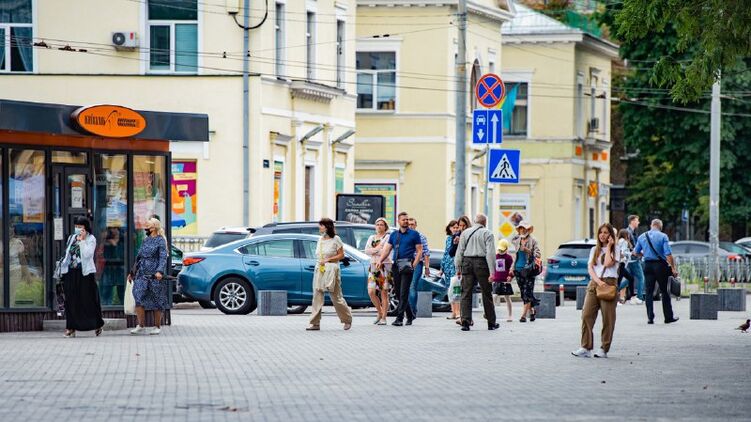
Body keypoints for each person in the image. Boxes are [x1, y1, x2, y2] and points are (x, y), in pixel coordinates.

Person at [572, 223, 619, 358]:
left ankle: (604, 348)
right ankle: (585, 347)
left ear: (610, 235)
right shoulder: (594, 249)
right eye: (600, 232)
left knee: (608, 318)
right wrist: (598, 281)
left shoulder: (616, 249)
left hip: (609, 283)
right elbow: (590, 268)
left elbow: (608, 263)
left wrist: (609, 246)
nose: (602, 235)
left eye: (605, 232)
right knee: (586, 314)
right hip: (595, 283)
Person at [377, 211, 423, 326]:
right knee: (398, 292)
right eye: (403, 220)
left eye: (407, 219)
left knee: (404, 292)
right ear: (398, 221)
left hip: (407, 265)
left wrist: (414, 264)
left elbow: (419, 251)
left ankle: (400, 318)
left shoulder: (414, 234)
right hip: (396, 265)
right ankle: (410, 315)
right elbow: (387, 249)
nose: (406, 221)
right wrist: (380, 260)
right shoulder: (394, 235)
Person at [60, 216, 104, 338]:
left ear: (86, 227)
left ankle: (97, 324)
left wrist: (83, 241)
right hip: (71, 272)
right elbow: (67, 254)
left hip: (85, 274)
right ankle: (70, 328)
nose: (78, 229)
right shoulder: (72, 237)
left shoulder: (91, 239)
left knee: (88, 300)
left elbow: (87, 255)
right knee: (70, 300)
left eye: (80, 226)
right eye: (76, 226)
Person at [307, 218, 353, 331]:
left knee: (336, 297)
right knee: (317, 296)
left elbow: (341, 255)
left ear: (327, 227)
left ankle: (347, 319)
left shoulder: (336, 239)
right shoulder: (320, 239)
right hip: (320, 269)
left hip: (332, 269)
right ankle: (315, 323)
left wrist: (328, 259)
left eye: (321, 225)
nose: (319, 227)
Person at [455, 214, 499, 331]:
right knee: (486, 293)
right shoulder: (488, 233)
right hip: (481, 263)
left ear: (475, 221)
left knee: (466, 293)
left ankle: (465, 322)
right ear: (485, 222)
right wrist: (492, 272)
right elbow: (490, 254)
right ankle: (491, 322)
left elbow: (460, 251)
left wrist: (458, 268)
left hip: (467, 263)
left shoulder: (465, 233)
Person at [632, 219, 679, 325]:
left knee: (648, 292)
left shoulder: (642, 236)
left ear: (651, 225)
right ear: (660, 227)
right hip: (660, 266)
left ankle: (650, 318)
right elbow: (668, 254)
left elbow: (635, 252)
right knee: (664, 291)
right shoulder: (663, 236)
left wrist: (644, 254)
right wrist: (673, 268)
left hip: (648, 265)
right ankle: (668, 317)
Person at [129, 217, 169, 335]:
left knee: (157, 299)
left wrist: (160, 271)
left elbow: (163, 257)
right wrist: (132, 272)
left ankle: (157, 326)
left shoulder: (160, 240)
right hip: (142, 273)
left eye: (148, 226)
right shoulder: (145, 240)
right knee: (138, 295)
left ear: (154, 228)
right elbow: (139, 257)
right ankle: (141, 325)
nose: (145, 228)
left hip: (154, 274)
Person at [510, 221, 541, 322]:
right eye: (520, 228)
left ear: (528, 230)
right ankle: (532, 311)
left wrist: (528, 250)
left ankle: (523, 316)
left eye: (524, 228)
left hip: (529, 270)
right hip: (518, 269)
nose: (522, 230)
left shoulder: (533, 240)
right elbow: (512, 239)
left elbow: (538, 254)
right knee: (523, 293)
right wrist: (512, 270)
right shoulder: (517, 240)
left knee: (527, 292)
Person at [364, 217, 392, 325]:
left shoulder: (387, 237)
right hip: (373, 266)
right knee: (371, 291)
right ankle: (379, 312)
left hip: (384, 266)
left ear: (385, 227)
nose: (379, 226)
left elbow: (385, 251)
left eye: (381, 225)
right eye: (377, 224)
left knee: (384, 292)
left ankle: (384, 317)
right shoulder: (371, 237)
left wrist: (374, 250)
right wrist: (377, 249)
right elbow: (366, 250)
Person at [407, 218, 431, 316]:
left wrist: (427, 268)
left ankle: (412, 311)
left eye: (412, 224)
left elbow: (426, 253)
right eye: (409, 224)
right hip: (405, 262)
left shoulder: (421, 236)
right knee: (405, 287)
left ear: (416, 225)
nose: (410, 226)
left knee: (412, 286)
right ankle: (407, 309)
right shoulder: (404, 236)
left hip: (417, 264)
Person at [440, 220, 460, 319]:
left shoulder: (459, 238)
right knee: (450, 290)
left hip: (455, 266)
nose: (455, 229)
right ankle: (453, 311)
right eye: (453, 227)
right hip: (448, 266)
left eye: (457, 227)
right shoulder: (448, 239)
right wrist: (442, 268)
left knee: (456, 289)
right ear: (449, 228)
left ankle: (458, 311)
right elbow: (445, 253)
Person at [493, 239, 514, 322]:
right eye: (499, 250)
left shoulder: (509, 258)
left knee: (507, 298)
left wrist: (511, 276)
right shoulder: (495, 256)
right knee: (494, 296)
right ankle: (491, 314)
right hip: (497, 280)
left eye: (502, 250)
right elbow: (493, 267)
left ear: (506, 249)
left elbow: (512, 269)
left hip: (505, 281)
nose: (500, 251)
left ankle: (510, 315)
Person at [626, 215, 645, 304]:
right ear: (632, 221)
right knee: (641, 278)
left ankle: (614, 290)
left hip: (630, 258)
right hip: (633, 258)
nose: (638, 222)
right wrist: (640, 253)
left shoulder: (631, 232)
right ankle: (639, 297)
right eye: (637, 221)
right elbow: (632, 247)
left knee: (629, 278)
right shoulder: (629, 232)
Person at [616, 229, 635, 304]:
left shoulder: (619, 241)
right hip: (621, 263)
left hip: (620, 263)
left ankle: (630, 296)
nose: (629, 236)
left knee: (630, 278)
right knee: (619, 281)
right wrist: (631, 254)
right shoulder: (624, 242)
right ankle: (617, 299)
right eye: (628, 234)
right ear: (625, 235)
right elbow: (623, 252)